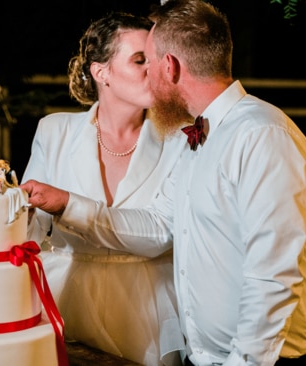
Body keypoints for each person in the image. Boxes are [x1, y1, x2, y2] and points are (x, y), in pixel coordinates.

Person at [21, 1, 306, 365]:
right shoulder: (196, 137)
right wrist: (67, 204)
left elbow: (271, 279)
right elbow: (160, 225)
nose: (147, 73)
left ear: (168, 67)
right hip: (206, 356)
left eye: (149, 62)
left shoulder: (261, 134)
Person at [21, 12, 187, 366]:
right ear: (101, 72)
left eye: (155, 60)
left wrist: (68, 204)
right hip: (67, 295)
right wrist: (15, 207)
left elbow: (162, 232)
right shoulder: (55, 131)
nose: (153, 70)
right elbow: (30, 235)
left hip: (148, 308)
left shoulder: (180, 137)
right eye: (139, 60)